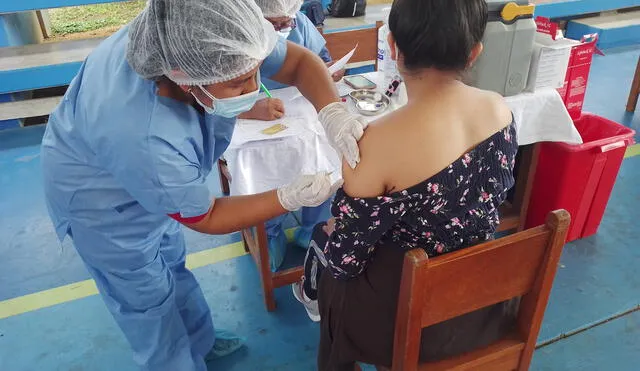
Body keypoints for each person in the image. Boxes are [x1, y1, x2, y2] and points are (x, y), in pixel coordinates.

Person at [40, 0, 369, 370]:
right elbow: (206, 216)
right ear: (184, 77)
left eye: (257, 70)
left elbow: (297, 62)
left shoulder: (206, 30)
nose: (255, 86)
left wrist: (333, 112)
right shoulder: (145, 136)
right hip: (101, 203)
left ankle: (199, 340)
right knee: (146, 299)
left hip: (150, 174)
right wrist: (287, 196)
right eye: (237, 84)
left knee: (170, 260)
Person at [290, 0, 520, 369]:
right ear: (474, 52)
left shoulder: (374, 144)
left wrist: (332, 230)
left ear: (392, 46)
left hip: (404, 318)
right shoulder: (500, 110)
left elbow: (347, 262)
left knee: (326, 245)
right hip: (478, 298)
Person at [240, 0, 344, 272]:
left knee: (323, 152)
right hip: (255, 121)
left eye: (288, 22)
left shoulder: (300, 22)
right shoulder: (238, 37)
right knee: (270, 162)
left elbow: (317, 58)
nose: (285, 28)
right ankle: (270, 229)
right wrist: (249, 108)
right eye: (276, 24)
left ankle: (314, 225)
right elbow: (212, 96)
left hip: (301, 110)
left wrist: (328, 70)